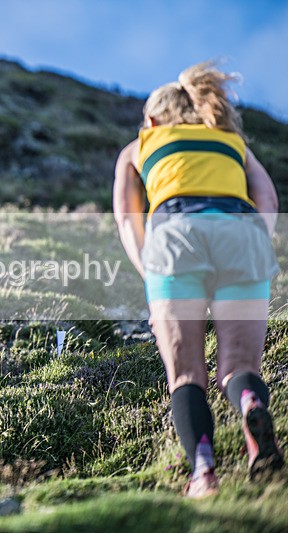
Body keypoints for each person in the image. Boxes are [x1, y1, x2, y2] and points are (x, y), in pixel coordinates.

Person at [113, 61, 283, 498]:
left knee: (186, 373)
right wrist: (254, 242)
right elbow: (266, 196)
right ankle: (250, 404)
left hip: (175, 236)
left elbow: (128, 217)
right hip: (241, 234)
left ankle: (203, 473)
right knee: (240, 367)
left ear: (152, 119)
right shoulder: (231, 142)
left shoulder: (139, 146)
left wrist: (149, 269)